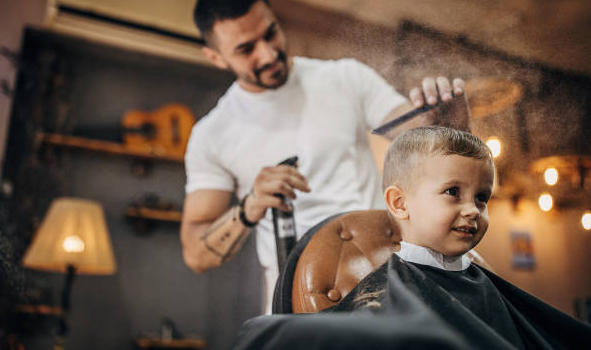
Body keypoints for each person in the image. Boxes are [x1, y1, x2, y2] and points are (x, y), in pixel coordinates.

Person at [180, 0, 470, 314]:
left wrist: (452, 123)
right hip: (298, 300)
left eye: (270, 33)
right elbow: (195, 254)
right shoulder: (212, 133)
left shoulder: (344, 78)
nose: (268, 53)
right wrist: (250, 207)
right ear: (215, 57)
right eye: (246, 49)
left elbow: (430, 142)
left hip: (386, 279)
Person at [231, 127, 591, 349]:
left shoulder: (482, 281)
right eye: (453, 192)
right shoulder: (387, 290)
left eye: (482, 197)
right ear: (400, 203)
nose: (473, 210)